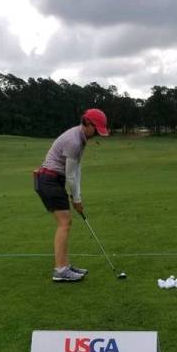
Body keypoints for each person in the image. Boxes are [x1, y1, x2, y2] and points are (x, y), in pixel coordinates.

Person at [34, 108, 109, 282]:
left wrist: (78, 196)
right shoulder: (75, 141)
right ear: (87, 123)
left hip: (53, 180)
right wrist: (76, 199)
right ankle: (61, 270)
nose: (97, 134)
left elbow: (76, 169)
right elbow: (70, 176)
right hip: (49, 180)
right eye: (96, 129)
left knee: (66, 223)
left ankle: (65, 265)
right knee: (64, 223)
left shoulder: (81, 137)